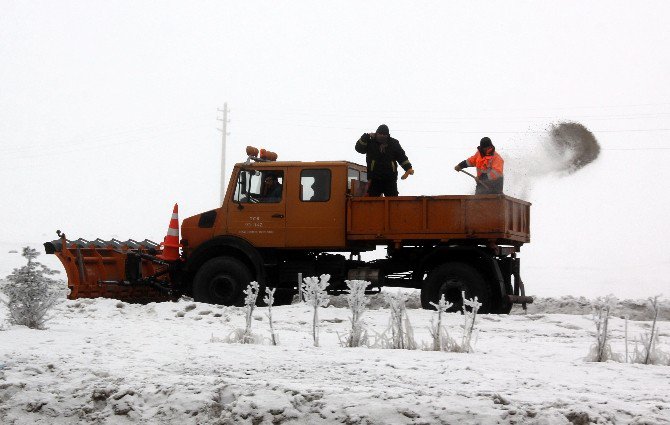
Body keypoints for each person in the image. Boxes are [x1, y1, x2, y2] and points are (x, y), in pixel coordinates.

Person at [354, 124, 414, 196]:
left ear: (388, 135)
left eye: (384, 134)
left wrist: (408, 168)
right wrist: (365, 137)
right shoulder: (370, 142)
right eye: (380, 134)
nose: (382, 136)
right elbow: (359, 149)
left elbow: (402, 157)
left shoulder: (394, 143)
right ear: (376, 133)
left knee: (393, 200)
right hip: (374, 178)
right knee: (373, 201)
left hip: (390, 179)